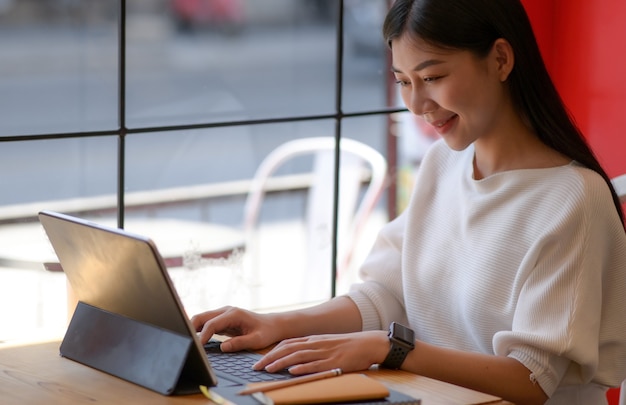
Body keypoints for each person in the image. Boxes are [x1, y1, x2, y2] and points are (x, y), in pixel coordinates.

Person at [191, 0, 626, 403]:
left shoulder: (573, 200)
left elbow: (531, 380)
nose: (417, 104)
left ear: (500, 59)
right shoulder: (444, 164)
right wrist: (277, 324)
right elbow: (386, 295)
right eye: (403, 81)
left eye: (433, 78)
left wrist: (392, 350)